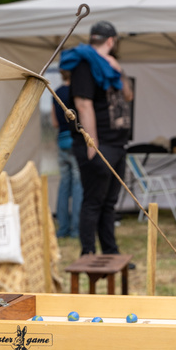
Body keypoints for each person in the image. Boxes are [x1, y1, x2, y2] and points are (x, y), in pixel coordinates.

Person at [59, 20, 133, 256]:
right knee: (93, 201)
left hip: (117, 144)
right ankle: (88, 254)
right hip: (98, 144)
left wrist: (119, 70)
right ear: (111, 41)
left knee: (109, 203)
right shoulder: (85, 65)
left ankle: (110, 252)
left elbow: (128, 95)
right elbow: (83, 104)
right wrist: (92, 143)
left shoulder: (110, 66)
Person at [50, 70, 83, 238]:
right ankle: (76, 229)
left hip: (62, 142)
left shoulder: (56, 92)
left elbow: (55, 122)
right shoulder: (78, 91)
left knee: (64, 185)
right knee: (78, 185)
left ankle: (62, 229)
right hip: (76, 142)